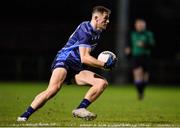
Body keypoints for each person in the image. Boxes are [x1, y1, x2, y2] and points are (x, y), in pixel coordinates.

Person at [17, 6, 116, 121]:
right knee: (53, 89)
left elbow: (83, 58)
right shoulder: (86, 29)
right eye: (105, 18)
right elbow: (85, 58)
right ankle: (24, 116)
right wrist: (103, 64)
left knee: (101, 83)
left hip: (76, 67)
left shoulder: (97, 32)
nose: (108, 21)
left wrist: (99, 64)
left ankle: (80, 109)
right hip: (64, 60)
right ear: (96, 17)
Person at [125, 19, 155, 100]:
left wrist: (144, 44)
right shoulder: (132, 34)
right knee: (137, 75)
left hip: (146, 57)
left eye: (141, 25)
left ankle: (142, 91)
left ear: (144, 26)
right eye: (138, 25)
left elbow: (152, 45)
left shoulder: (148, 34)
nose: (140, 26)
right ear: (136, 26)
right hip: (136, 57)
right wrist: (128, 49)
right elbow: (129, 44)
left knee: (145, 78)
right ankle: (139, 93)